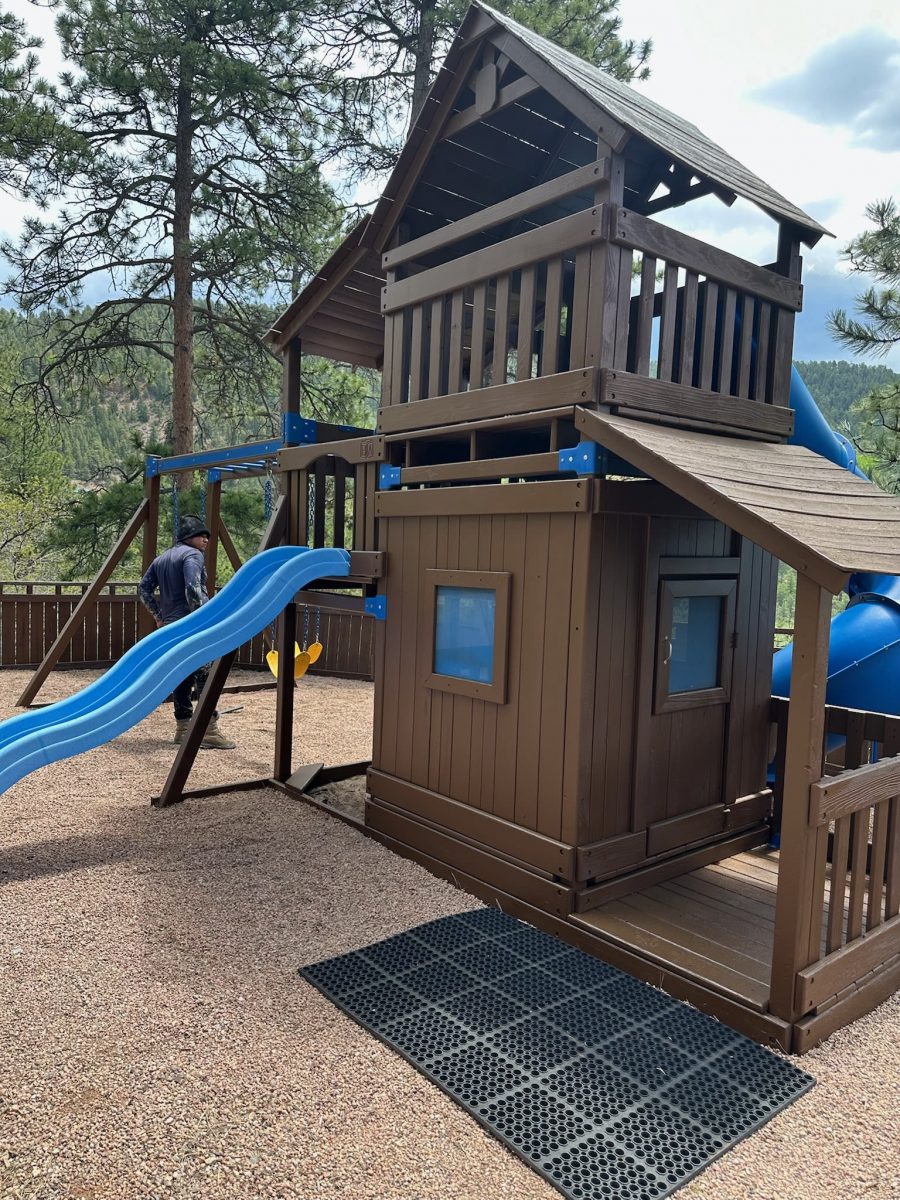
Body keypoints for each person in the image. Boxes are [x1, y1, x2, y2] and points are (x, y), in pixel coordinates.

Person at [138, 514, 235, 749]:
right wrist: (200, 619)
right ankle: (208, 730)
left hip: (172, 627)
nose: (206, 540)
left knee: (181, 675)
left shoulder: (162, 558)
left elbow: (143, 589)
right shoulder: (193, 555)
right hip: (191, 625)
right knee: (205, 674)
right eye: (201, 535)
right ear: (188, 537)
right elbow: (192, 587)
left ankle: (183, 729)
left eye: (207, 536)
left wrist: (159, 617)